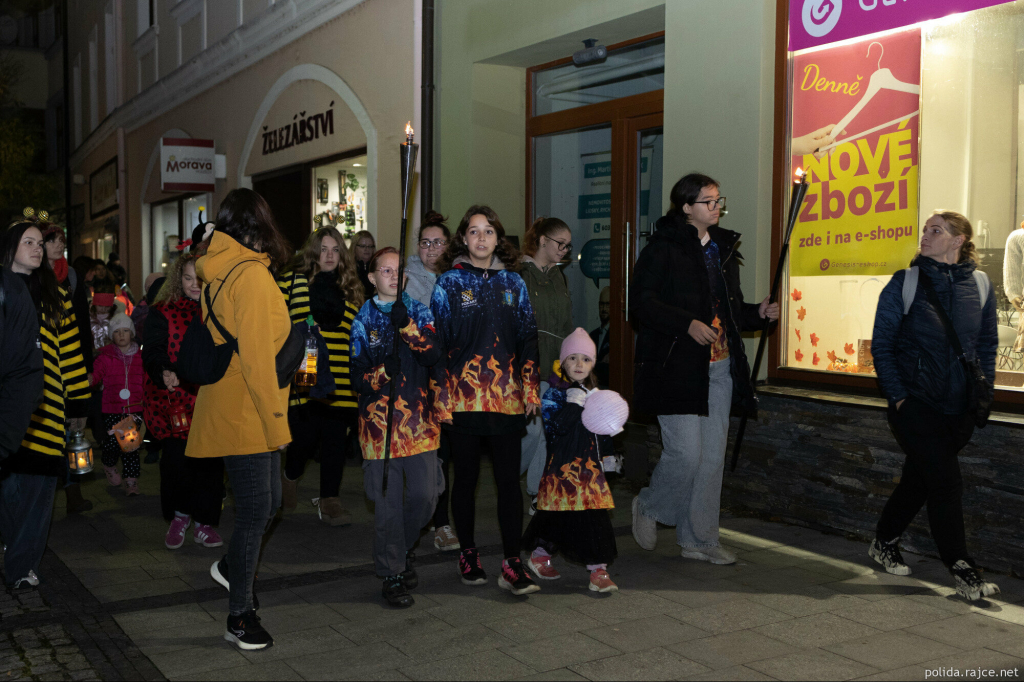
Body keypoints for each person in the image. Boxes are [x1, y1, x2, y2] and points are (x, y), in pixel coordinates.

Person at [630, 173, 778, 565]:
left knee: (711, 460)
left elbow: (729, 310)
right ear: (686, 207)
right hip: (676, 366)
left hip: (720, 366)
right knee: (686, 455)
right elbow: (641, 304)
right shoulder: (663, 248)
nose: (717, 208)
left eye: (718, 200)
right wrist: (687, 324)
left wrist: (758, 314)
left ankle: (700, 539)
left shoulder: (723, 248)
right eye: (709, 202)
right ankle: (649, 505)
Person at [870, 210, 1000, 602]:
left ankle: (884, 541)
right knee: (946, 483)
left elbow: (987, 345)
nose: (925, 235)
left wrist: (983, 392)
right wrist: (899, 397)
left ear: (958, 240)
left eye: (936, 230)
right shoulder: (905, 282)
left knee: (920, 479)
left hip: (959, 408)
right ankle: (962, 569)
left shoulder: (980, 285)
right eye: (925, 230)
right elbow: (882, 345)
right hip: (916, 403)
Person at [189, 188, 292, 651]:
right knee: (255, 511)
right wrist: (277, 424)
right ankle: (239, 616)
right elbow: (255, 359)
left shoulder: (221, 268)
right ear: (258, 226)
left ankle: (233, 567)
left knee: (268, 504)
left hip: (239, 405)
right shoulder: (248, 273)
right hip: (248, 410)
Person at [432, 205, 542, 596]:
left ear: (499, 238)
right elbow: (437, 343)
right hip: (462, 399)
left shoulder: (514, 282)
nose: (482, 238)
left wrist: (531, 388)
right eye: (474, 231)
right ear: (463, 238)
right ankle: (468, 553)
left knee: (508, 482)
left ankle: (512, 562)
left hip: (507, 399)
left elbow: (528, 337)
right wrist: (440, 395)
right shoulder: (448, 282)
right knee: (465, 479)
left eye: (489, 231)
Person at [350, 247, 445, 607]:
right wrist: (381, 372)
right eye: (385, 270)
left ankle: (402, 548)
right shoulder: (363, 320)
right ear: (372, 277)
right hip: (379, 430)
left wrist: (407, 326)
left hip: (420, 424)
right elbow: (357, 378)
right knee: (387, 505)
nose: (393, 276)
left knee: (425, 496)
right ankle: (392, 571)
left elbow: (433, 353)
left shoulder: (419, 311)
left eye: (398, 270)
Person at [0, 220, 89, 588]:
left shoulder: (56, 294)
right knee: (8, 493)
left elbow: (70, 351)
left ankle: (22, 566)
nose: (38, 248)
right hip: (7, 408)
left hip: (45, 409)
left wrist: (78, 404)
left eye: (40, 243)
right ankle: (14, 547)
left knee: (38, 496)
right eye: (29, 242)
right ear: (10, 247)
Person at [522, 328, 621, 593]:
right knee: (556, 519)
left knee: (594, 520)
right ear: (563, 362)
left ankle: (598, 571)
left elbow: (604, 429)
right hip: (562, 472)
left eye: (586, 359)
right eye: (573, 358)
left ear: (593, 364)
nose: (579, 364)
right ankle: (539, 555)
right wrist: (573, 403)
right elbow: (556, 430)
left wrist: (609, 457)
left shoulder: (597, 395)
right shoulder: (554, 395)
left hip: (590, 472)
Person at [277, 226, 364, 525]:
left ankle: (330, 501)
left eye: (335, 250)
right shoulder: (291, 281)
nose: (329, 256)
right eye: (323, 249)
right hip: (307, 371)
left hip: (342, 377)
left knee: (335, 441)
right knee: (303, 438)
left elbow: (357, 334)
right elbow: (275, 322)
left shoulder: (350, 286)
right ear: (313, 252)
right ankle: (290, 476)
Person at [143, 254, 225, 550]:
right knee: (177, 463)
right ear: (178, 279)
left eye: (199, 279)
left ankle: (204, 522)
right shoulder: (162, 310)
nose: (194, 284)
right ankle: (179, 517)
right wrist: (163, 370)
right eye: (188, 278)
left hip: (211, 398)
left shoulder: (220, 310)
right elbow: (153, 349)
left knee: (210, 465)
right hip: (174, 402)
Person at [404, 212, 459, 551]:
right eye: (426, 242)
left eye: (438, 242)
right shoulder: (406, 281)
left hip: (454, 379)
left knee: (449, 453)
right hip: (420, 380)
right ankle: (437, 522)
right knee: (430, 453)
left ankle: (442, 520)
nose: (432, 248)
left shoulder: (460, 276)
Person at [519, 217, 574, 514]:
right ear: (542, 241)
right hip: (527, 364)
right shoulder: (519, 273)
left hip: (554, 365)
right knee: (533, 431)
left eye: (568, 246)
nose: (564, 250)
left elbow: (566, 322)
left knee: (547, 430)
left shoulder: (558, 276)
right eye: (560, 244)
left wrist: (572, 359)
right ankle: (508, 472)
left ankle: (537, 491)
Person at [41, 222, 94, 513]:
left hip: (70, 362)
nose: (59, 245)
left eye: (61, 240)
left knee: (72, 431)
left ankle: (73, 491)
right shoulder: (31, 277)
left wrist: (87, 365)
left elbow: (82, 326)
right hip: (44, 366)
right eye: (53, 240)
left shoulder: (70, 276)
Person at [91, 313, 146, 496]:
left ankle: (131, 480)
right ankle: (108, 463)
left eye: (125, 331)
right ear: (111, 335)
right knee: (113, 444)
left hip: (134, 408)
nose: (121, 335)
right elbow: (97, 374)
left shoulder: (141, 357)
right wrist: (90, 379)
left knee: (130, 446)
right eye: (117, 332)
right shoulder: (106, 357)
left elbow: (147, 380)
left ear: (132, 333)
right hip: (112, 408)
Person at [589, 286, 611, 388]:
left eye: (608, 304)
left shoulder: (617, 337)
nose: (604, 309)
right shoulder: (592, 336)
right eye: (602, 304)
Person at [351, 229, 376, 298]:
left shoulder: (377, 267)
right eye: (362, 246)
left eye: (370, 246)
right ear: (354, 247)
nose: (367, 249)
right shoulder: (347, 268)